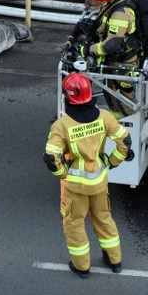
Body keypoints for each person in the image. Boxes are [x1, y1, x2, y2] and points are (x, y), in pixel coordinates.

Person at [43, 73, 133, 278]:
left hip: (75, 187)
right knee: (103, 218)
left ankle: (82, 266)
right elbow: (125, 143)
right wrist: (112, 162)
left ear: (69, 98)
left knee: (74, 223)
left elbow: (50, 158)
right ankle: (115, 260)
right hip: (100, 182)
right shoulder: (105, 117)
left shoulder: (62, 125)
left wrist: (63, 173)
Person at [78, 0, 141, 115]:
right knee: (110, 91)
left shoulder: (120, 12)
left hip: (123, 62)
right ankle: (117, 119)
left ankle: (133, 124)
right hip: (115, 59)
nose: (91, 3)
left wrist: (87, 50)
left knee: (122, 97)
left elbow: (111, 44)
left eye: (94, 1)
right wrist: (94, 27)